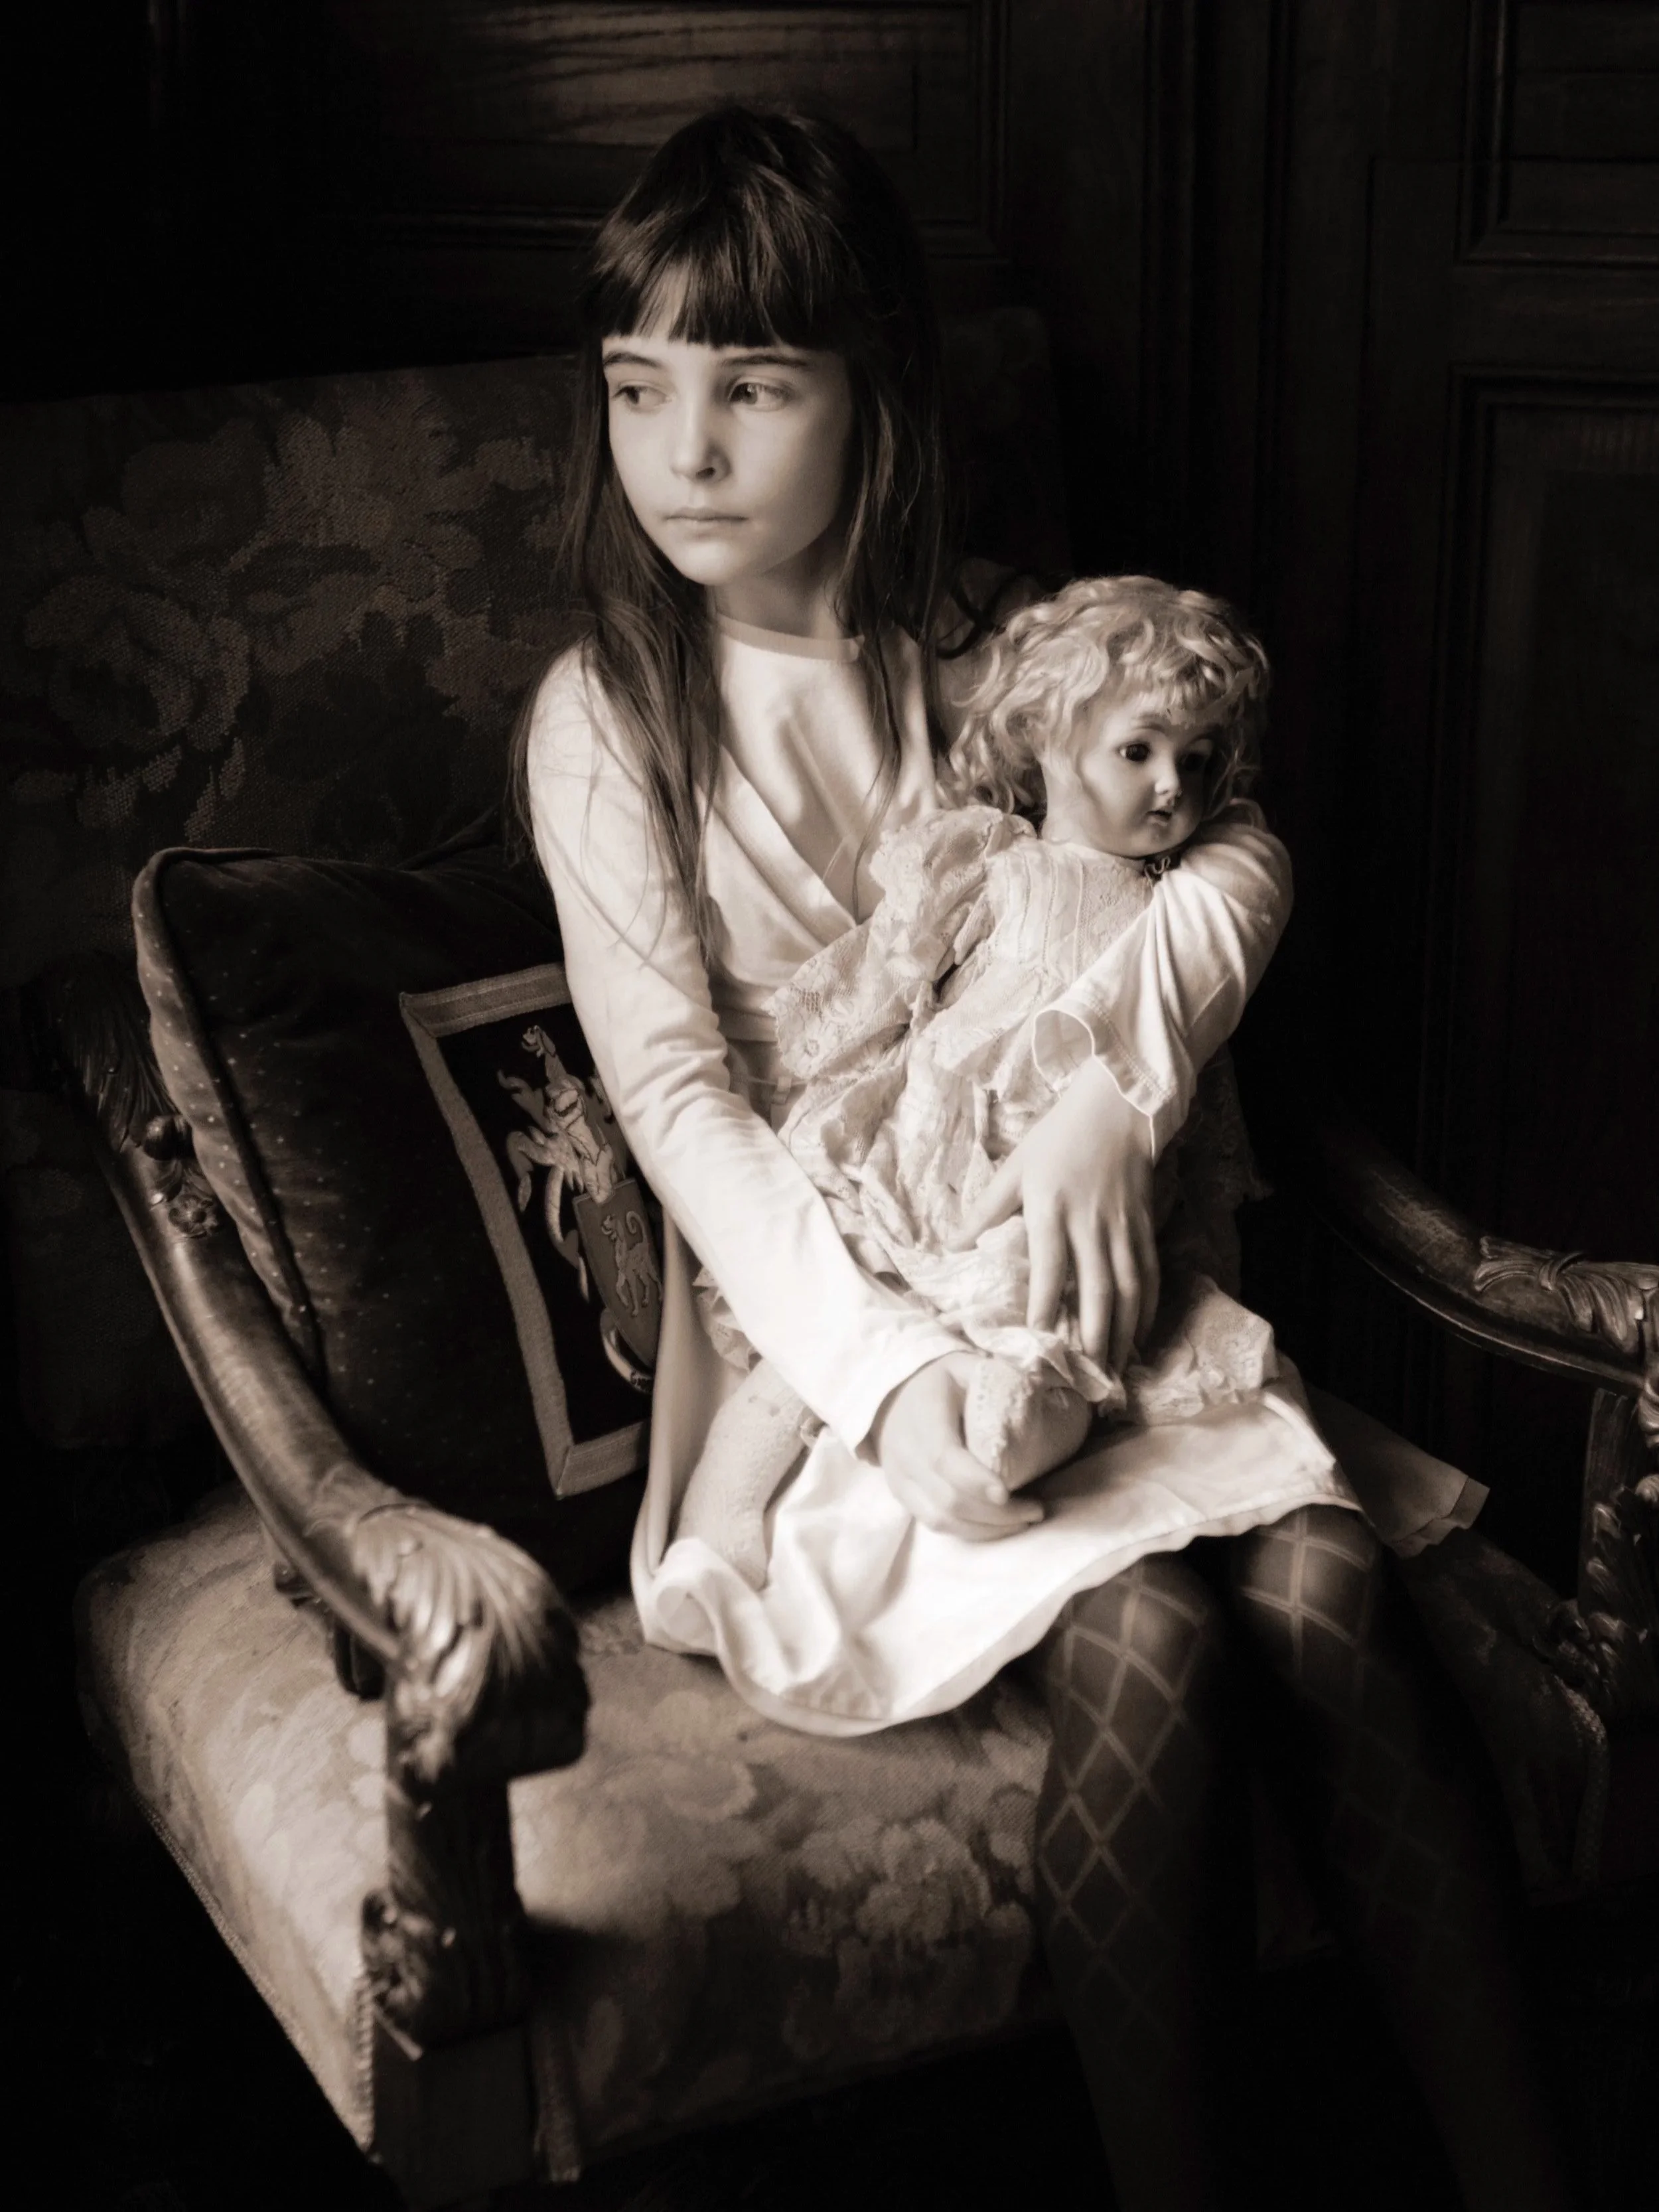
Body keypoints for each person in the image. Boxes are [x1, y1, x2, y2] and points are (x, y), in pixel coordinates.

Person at [523, 105, 1573, 2212]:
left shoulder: (993, 654)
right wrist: (898, 1378)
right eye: (641, 387)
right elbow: (678, 1110)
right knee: (1155, 1637)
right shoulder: (608, 711)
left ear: (873, 397)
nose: (685, 448)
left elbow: (1228, 833)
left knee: (1319, 1575)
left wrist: (1116, 1080)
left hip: (1097, 1288)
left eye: (752, 384)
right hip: (833, 1349)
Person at [676, 573, 1294, 1588]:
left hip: (1068, 1186)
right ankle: (720, 1531)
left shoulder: (1189, 895)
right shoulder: (991, 858)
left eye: (1198, 759)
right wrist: (837, 1061)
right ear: (1047, 737)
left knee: (1048, 1290)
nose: (1172, 786)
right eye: (1137, 752)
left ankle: (1020, 1416)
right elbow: (897, 967)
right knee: (836, 1304)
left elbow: (1247, 890)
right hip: (933, 1138)